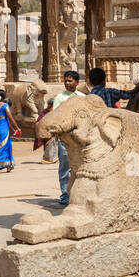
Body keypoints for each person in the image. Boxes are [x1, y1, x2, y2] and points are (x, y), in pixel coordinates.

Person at [51, 70, 83, 206]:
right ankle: (65, 194)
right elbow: (55, 117)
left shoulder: (83, 97)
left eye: (70, 81)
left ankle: (77, 193)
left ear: (77, 82)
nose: (67, 83)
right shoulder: (59, 98)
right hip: (65, 139)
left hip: (80, 138)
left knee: (80, 167)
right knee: (65, 166)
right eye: (65, 81)